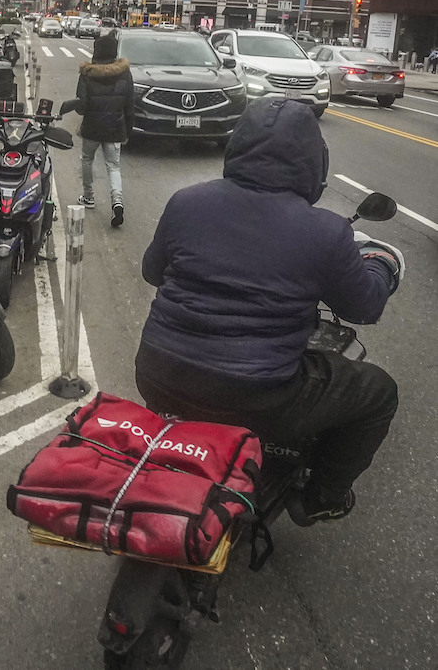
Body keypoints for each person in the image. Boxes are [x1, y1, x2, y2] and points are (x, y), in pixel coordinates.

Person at [135, 97, 402, 526]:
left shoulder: (186, 202)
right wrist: (381, 266)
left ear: (237, 147)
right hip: (257, 398)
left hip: (158, 375)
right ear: (315, 163)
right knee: (379, 392)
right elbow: (365, 306)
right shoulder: (326, 232)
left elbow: (153, 272)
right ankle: (323, 496)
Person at [72, 29, 134, 228]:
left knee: (87, 159)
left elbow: (81, 107)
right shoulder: (125, 73)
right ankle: (117, 201)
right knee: (113, 166)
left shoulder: (87, 74)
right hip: (115, 128)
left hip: (92, 127)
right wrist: (128, 131)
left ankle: (88, 196)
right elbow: (130, 105)